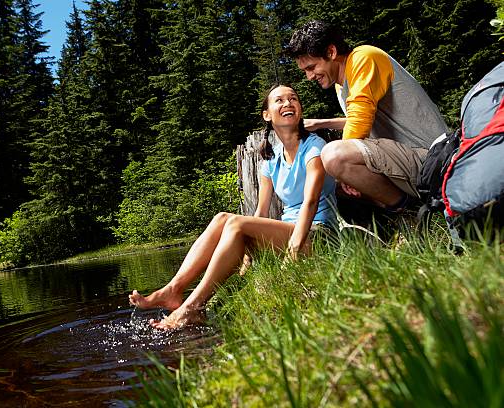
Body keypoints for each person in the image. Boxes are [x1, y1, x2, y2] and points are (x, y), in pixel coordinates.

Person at [129, 84, 337, 330]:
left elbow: (311, 201)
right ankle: (174, 289)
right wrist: (249, 256)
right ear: (267, 115)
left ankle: (191, 308)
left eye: (293, 99)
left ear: (300, 109)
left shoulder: (314, 146)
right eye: (279, 100)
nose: (288, 103)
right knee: (222, 218)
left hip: (316, 234)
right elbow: (260, 214)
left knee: (236, 223)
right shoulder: (271, 161)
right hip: (285, 232)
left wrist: (293, 249)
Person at [286, 20, 448, 211]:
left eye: (311, 67)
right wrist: (322, 123)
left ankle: (411, 211)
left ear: (331, 52)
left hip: (434, 158)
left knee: (334, 157)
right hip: (407, 160)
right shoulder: (341, 85)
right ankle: (395, 221)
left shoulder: (363, 58)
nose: (309, 76)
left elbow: (360, 121)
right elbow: (364, 118)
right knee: (328, 182)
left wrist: (341, 171)